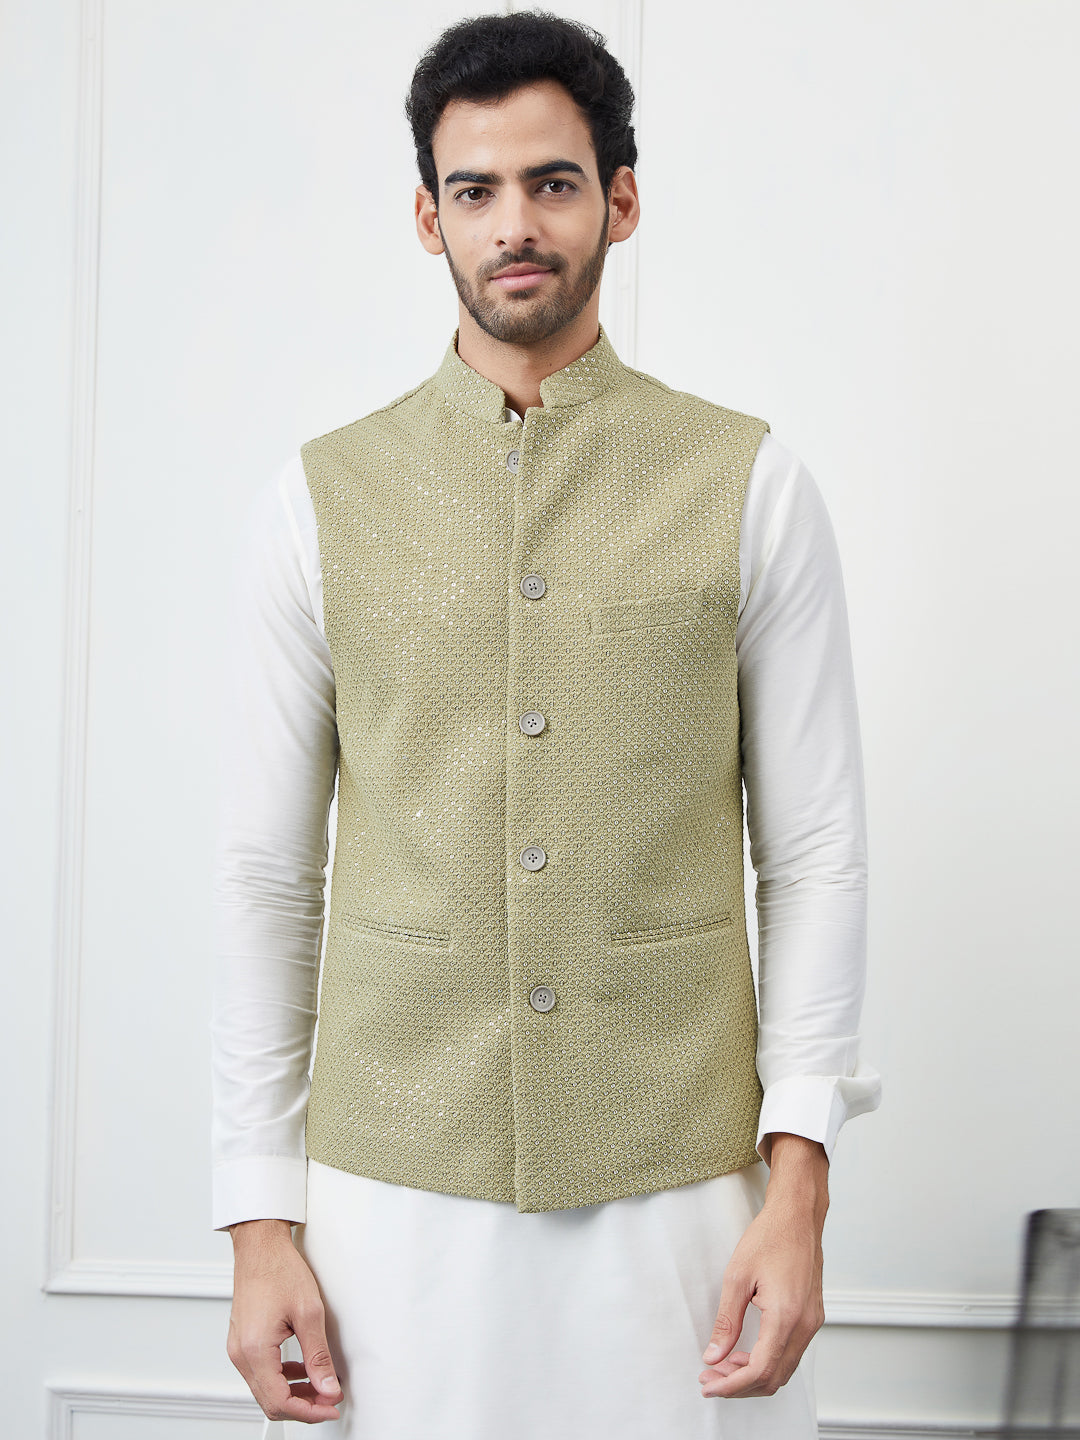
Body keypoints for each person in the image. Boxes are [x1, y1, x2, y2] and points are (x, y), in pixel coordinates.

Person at [210, 11, 881, 1437]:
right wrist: (259, 1222)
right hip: (390, 1205)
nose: (514, 223)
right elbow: (268, 878)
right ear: (429, 218)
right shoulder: (317, 504)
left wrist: (800, 1187)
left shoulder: (750, 485)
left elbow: (816, 855)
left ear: (620, 200)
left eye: (553, 182)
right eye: (475, 189)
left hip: (685, 1196)